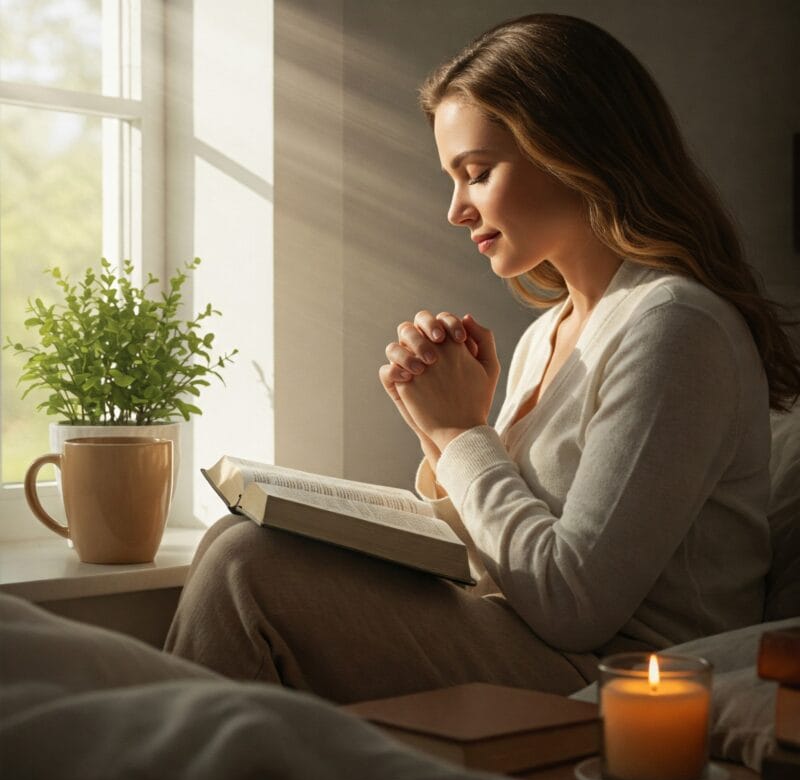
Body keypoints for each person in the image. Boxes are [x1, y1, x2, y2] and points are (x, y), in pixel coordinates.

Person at [165, 14, 799, 704]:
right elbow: (500, 551)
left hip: (625, 679)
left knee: (244, 566)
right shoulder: (551, 331)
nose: (456, 211)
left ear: (572, 151)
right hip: (532, 635)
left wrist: (461, 434)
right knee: (240, 540)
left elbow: (572, 600)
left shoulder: (676, 326)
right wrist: (435, 432)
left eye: (477, 173)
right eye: (453, 179)